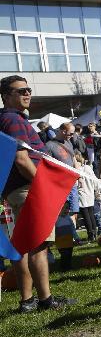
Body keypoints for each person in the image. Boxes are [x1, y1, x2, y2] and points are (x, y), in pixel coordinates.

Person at [0, 76, 75, 312]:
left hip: (17, 189)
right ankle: (45, 299)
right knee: (38, 244)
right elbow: (21, 159)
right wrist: (42, 186)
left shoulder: (12, 119)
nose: (27, 93)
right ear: (5, 96)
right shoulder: (12, 120)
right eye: (20, 90)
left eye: (29, 89)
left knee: (21, 244)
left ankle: (27, 300)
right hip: (26, 188)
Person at [74, 153, 100, 243]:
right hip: (90, 194)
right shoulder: (88, 168)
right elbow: (95, 180)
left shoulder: (77, 171)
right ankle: (95, 233)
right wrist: (96, 191)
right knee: (91, 214)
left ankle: (91, 234)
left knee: (86, 216)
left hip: (82, 194)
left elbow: (76, 185)